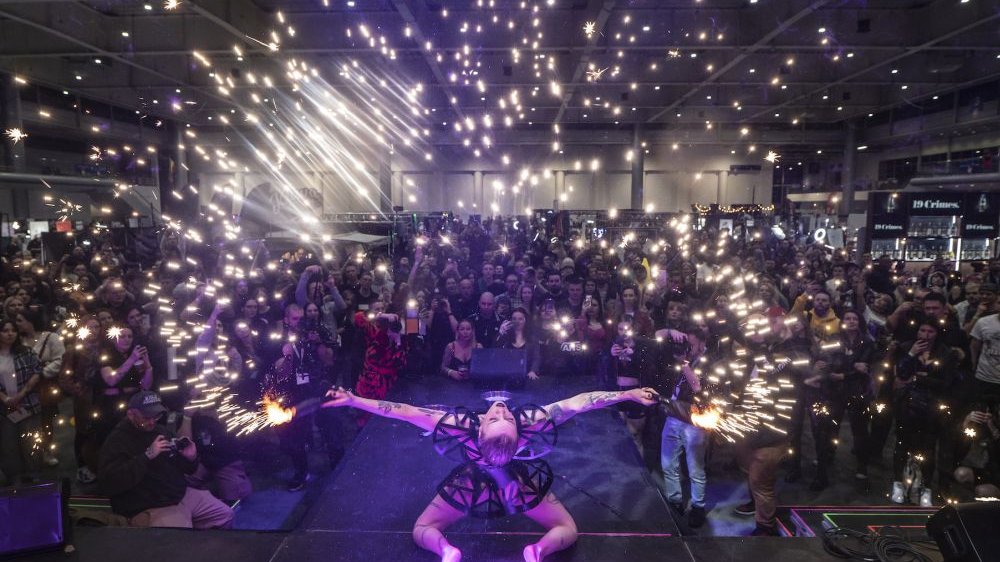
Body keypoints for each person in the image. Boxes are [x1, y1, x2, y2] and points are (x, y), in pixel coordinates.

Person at [319, 386, 660, 562]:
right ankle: (538, 552)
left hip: (472, 485)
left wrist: (354, 401)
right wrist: (626, 395)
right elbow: (581, 403)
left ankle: (447, 552)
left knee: (423, 528)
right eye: (504, 417)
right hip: (519, 485)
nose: (502, 411)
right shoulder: (531, 424)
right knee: (566, 528)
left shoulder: (456, 426)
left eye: (503, 417)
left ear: (480, 431)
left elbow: (403, 412)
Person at [98, 390, 234, 528]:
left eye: (155, 416)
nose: (152, 421)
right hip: (148, 504)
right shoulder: (117, 441)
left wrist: (190, 458)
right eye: (146, 417)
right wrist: (146, 456)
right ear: (131, 415)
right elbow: (110, 482)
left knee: (224, 514)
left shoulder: (161, 431)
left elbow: (185, 468)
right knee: (178, 534)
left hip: (178, 494)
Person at [15, 307, 65, 467]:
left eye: (20, 320)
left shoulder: (51, 337)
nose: (17, 324)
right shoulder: (18, 340)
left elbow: (60, 360)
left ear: (30, 321)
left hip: (43, 386)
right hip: (23, 387)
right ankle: (27, 452)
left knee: (45, 420)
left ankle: (46, 450)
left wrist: (41, 373)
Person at [0, 318, 43, 486]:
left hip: (28, 403)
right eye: (5, 330)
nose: (10, 334)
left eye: (12, 330)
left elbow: (37, 371)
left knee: (31, 440)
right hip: (5, 409)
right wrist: (7, 400)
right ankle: (14, 477)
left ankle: (35, 474)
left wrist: (22, 394)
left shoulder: (25, 351)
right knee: (8, 445)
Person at [496, 307, 541, 381]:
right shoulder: (505, 335)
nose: (517, 321)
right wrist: (500, 334)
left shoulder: (532, 337)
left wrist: (533, 371)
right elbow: (496, 352)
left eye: (520, 319)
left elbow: (536, 357)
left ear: (525, 320)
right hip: (507, 375)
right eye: (514, 319)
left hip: (527, 375)